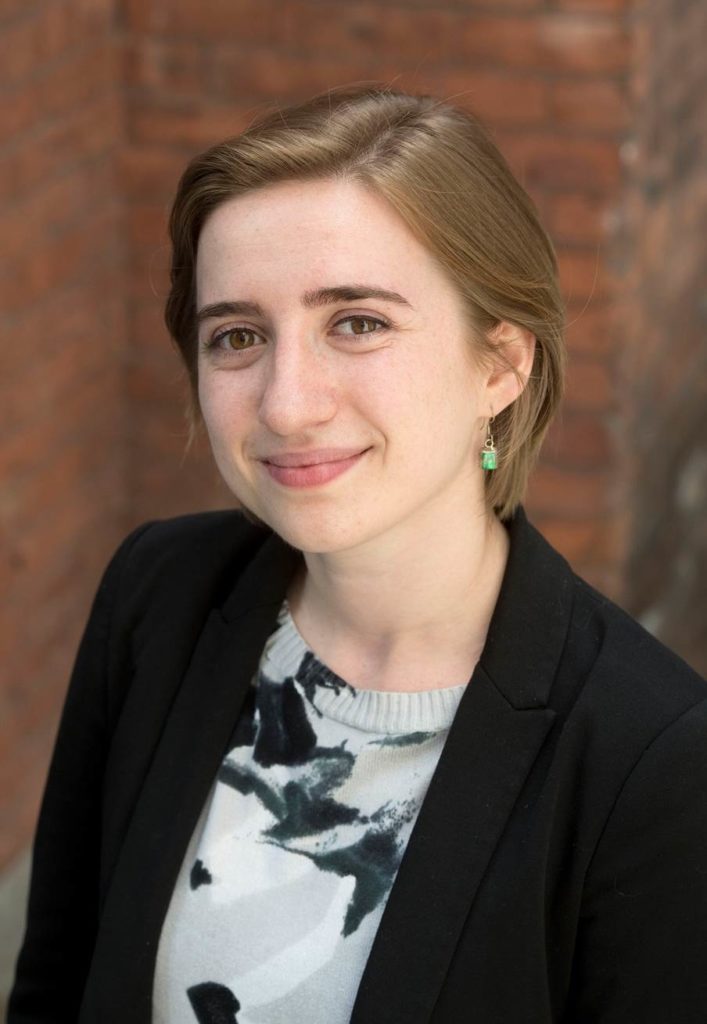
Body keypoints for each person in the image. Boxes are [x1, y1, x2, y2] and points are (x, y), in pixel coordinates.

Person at [8, 86, 707, 1024]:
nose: (286, 404)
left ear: (501, 364)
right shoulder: (156, 593)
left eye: (358, 322)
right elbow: (54, 987)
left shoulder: (652, 757)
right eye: (237, 337)